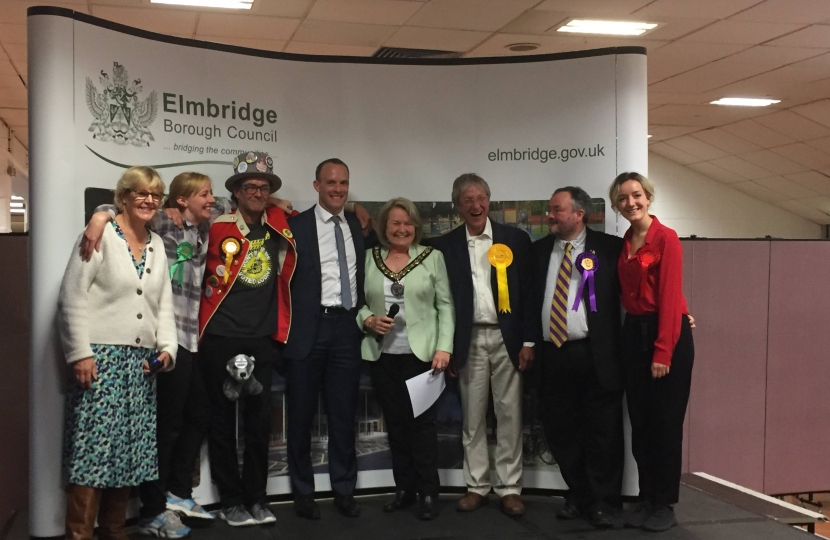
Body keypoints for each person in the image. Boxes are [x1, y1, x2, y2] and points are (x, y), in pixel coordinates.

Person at [83, 172, 225, 537]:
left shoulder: (204, 226)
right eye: (205, 194)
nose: (212, 200)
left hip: (191, 339)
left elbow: (238, 203)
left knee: (199, 415)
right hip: (164, 340)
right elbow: (116, 209)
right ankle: (153, 510)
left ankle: (178, 492)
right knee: (166, 426)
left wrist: (278, 203)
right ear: (181, 200)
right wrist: (99, 218)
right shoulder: (161, 219)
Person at [59, 166, 177, 540]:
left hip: (140, 367)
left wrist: (168, 351)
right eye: (141, 193)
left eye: (155, 195)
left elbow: (165, 306)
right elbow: (71, 296)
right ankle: (79, 535)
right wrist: (80, 353)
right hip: (100, 361)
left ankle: (114, 533)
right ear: (123, 196)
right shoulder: (100, 234)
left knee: (128, 456)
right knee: (91, 456)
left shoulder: (158, 244)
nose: (149, 201)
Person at [425, 173, 535, 517]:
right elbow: (441, 301)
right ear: (457, 206)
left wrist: (529, 340)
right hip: (468, 339)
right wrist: (451, 346)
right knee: (472, 419)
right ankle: (476, 486)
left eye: (480, 198)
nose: (475, 205)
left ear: (489, 201)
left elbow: (529, 295)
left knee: (510, 415)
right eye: (467, 200)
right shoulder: (445, 246)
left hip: (509, 338)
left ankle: (509, 488)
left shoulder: (515, 239)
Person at [198, 152, 297, 527]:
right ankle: (231, 500)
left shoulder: (280, 223)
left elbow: (326, 213)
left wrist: (355, 205)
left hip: (262, 338)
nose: (257, 192)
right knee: (222, 422)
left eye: (263, 187)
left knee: (258, 425)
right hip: (221, 336)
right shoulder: (215, 225)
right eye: (250, 187)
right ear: (236, 193)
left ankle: (257, 497)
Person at [283, 158, 373, 520]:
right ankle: (303, 493)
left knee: (343, 416)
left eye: (344, 183)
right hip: (307, 330)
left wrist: (356, 207)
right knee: (301, 417)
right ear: (316, 185)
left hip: (346, 329)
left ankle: (344, 489)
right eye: (330, 182)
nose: (338, 189)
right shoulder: (295, 226)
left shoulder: (357, 225)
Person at [530, 187, 625, 529]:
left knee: (603, 433)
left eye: (556, 210)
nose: (550, 216)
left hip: (596, 355)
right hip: (552, 355)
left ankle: (603, 502)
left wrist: (681, 313)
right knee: (562, 431)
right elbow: (529, 302)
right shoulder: (538, 251)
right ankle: (578, 495)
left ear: (578, 214)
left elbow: (639, 289)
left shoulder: (610, 249)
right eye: (550, 210)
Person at [358, 198, 455, 521]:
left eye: (408, 223)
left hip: (423, 356)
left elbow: (446, 306)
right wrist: (368, 320)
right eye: (395, 223)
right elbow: (358, 304)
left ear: (417, 227)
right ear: (384, 227)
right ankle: (404, 490)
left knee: (422, 429)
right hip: (383, 354)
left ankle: (428, 492)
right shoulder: (371, 258)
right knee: (396, 427)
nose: (402, 229)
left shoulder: (432, 258)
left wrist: (444, 348)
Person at [610, 172, 694, 533]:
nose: (631, 203)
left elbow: (670, 294)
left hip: (665, 334)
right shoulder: (628, 240)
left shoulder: (666, 238)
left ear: (648, 196)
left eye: (637, 195)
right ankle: (646, 498)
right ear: (616, 205)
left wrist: (664, 351)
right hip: (634, 333)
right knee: (641, 425)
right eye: (624, 198)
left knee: (665, 425)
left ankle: (664, 503)